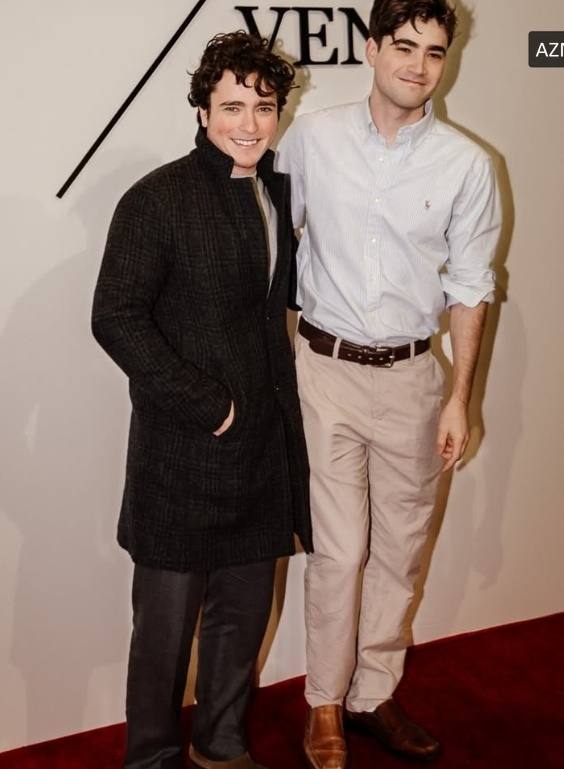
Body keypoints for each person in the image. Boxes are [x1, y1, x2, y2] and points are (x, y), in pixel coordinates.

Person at [276, 1, 501, 767]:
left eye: (434, 52)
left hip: (412, 379)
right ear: (372, 50)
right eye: (404, 47)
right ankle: (324, 702)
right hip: (325, 372)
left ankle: (373, 694)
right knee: (339, 553)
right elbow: (271, 242)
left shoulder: (468, 165)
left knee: (400, 552)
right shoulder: (313, 139)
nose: (418, 65)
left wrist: (459, 397)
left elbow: (471, 288)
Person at [92, 32, 311, 769]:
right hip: (181, 455)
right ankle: (152, 757)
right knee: (162, 634)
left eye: (264, 107)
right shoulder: (156, 199)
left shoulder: (278, 193)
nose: (249, 123)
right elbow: (115, 316)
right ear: (202, 110)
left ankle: (221, 744)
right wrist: (208, 405)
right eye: (232, 106)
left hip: (261, 453)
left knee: (241, 620)